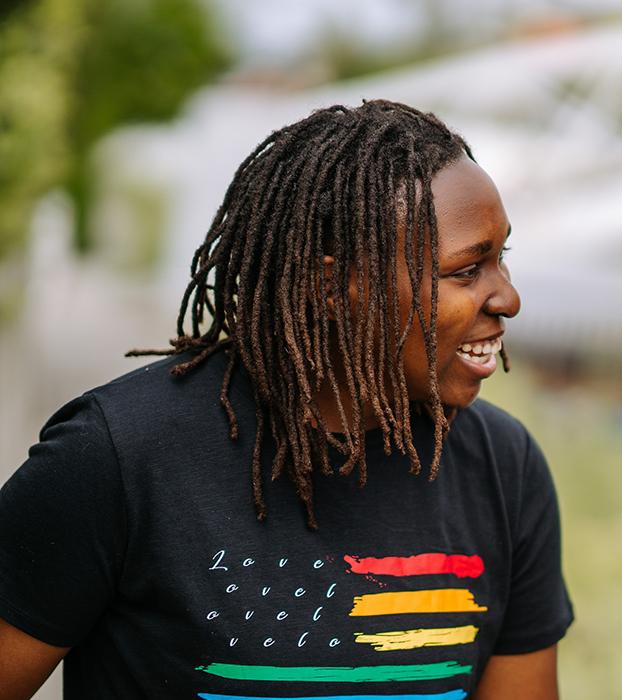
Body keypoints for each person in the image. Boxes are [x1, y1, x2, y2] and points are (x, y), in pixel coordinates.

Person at [0, 100, 571, 699]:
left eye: (501, 257)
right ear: (331, 287)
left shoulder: (505, 471)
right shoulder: (118, 459)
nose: (508, 297)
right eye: (466, 270)